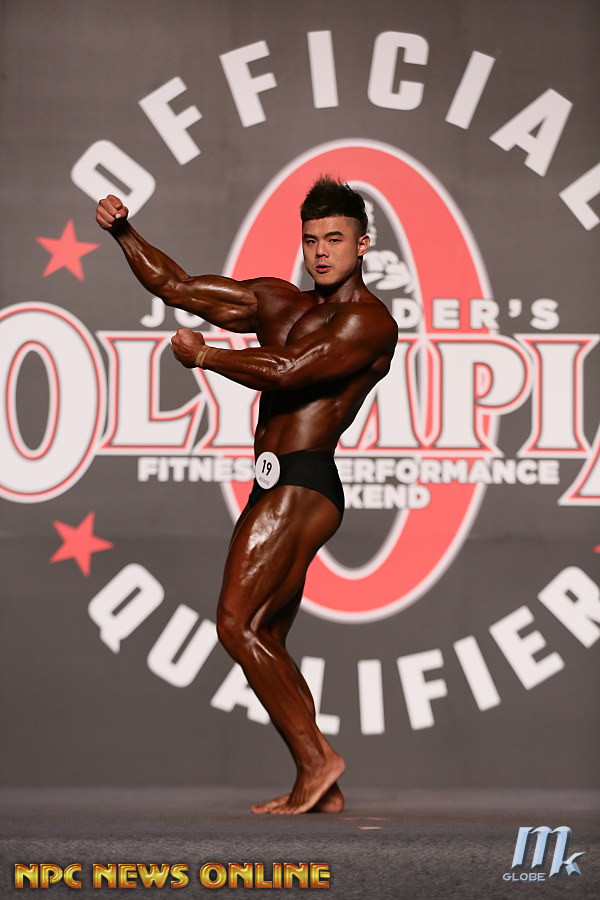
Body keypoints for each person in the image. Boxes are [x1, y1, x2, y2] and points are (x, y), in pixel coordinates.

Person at [96, 178, 398, 814]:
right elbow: (177, 288)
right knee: (264, 634)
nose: (321, 251)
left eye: (335, 239)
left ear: (363, 245)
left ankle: (317, 760)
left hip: (305, 480)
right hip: (271, 481)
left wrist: (207, 357)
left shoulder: (368, 322)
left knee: (235, 622)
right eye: (311, 240)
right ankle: (320, 781)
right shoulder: (276, 301)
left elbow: (291, 370)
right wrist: (125, 232)